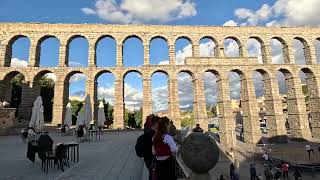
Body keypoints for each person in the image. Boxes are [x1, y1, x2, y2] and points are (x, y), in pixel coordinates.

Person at [135, 115, 159, 180]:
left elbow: (139, 153)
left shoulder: (142, 137)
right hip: (154, 161)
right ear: (156, 124)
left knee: (151, 174)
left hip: (147, 160)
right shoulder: (158, 136)